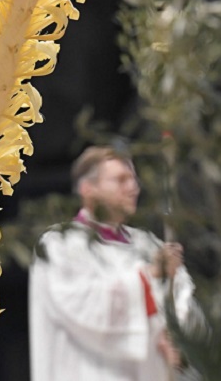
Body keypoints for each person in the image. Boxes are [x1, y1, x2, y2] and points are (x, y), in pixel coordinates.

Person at [29, 145, 196, 381]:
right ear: (88, 189)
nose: (133, 187)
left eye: (134, 180)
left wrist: (176, 332)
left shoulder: (148, 244)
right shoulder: (60, 245)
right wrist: (148, 276)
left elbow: (182, 294)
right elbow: (83, 306)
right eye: (121, 180)